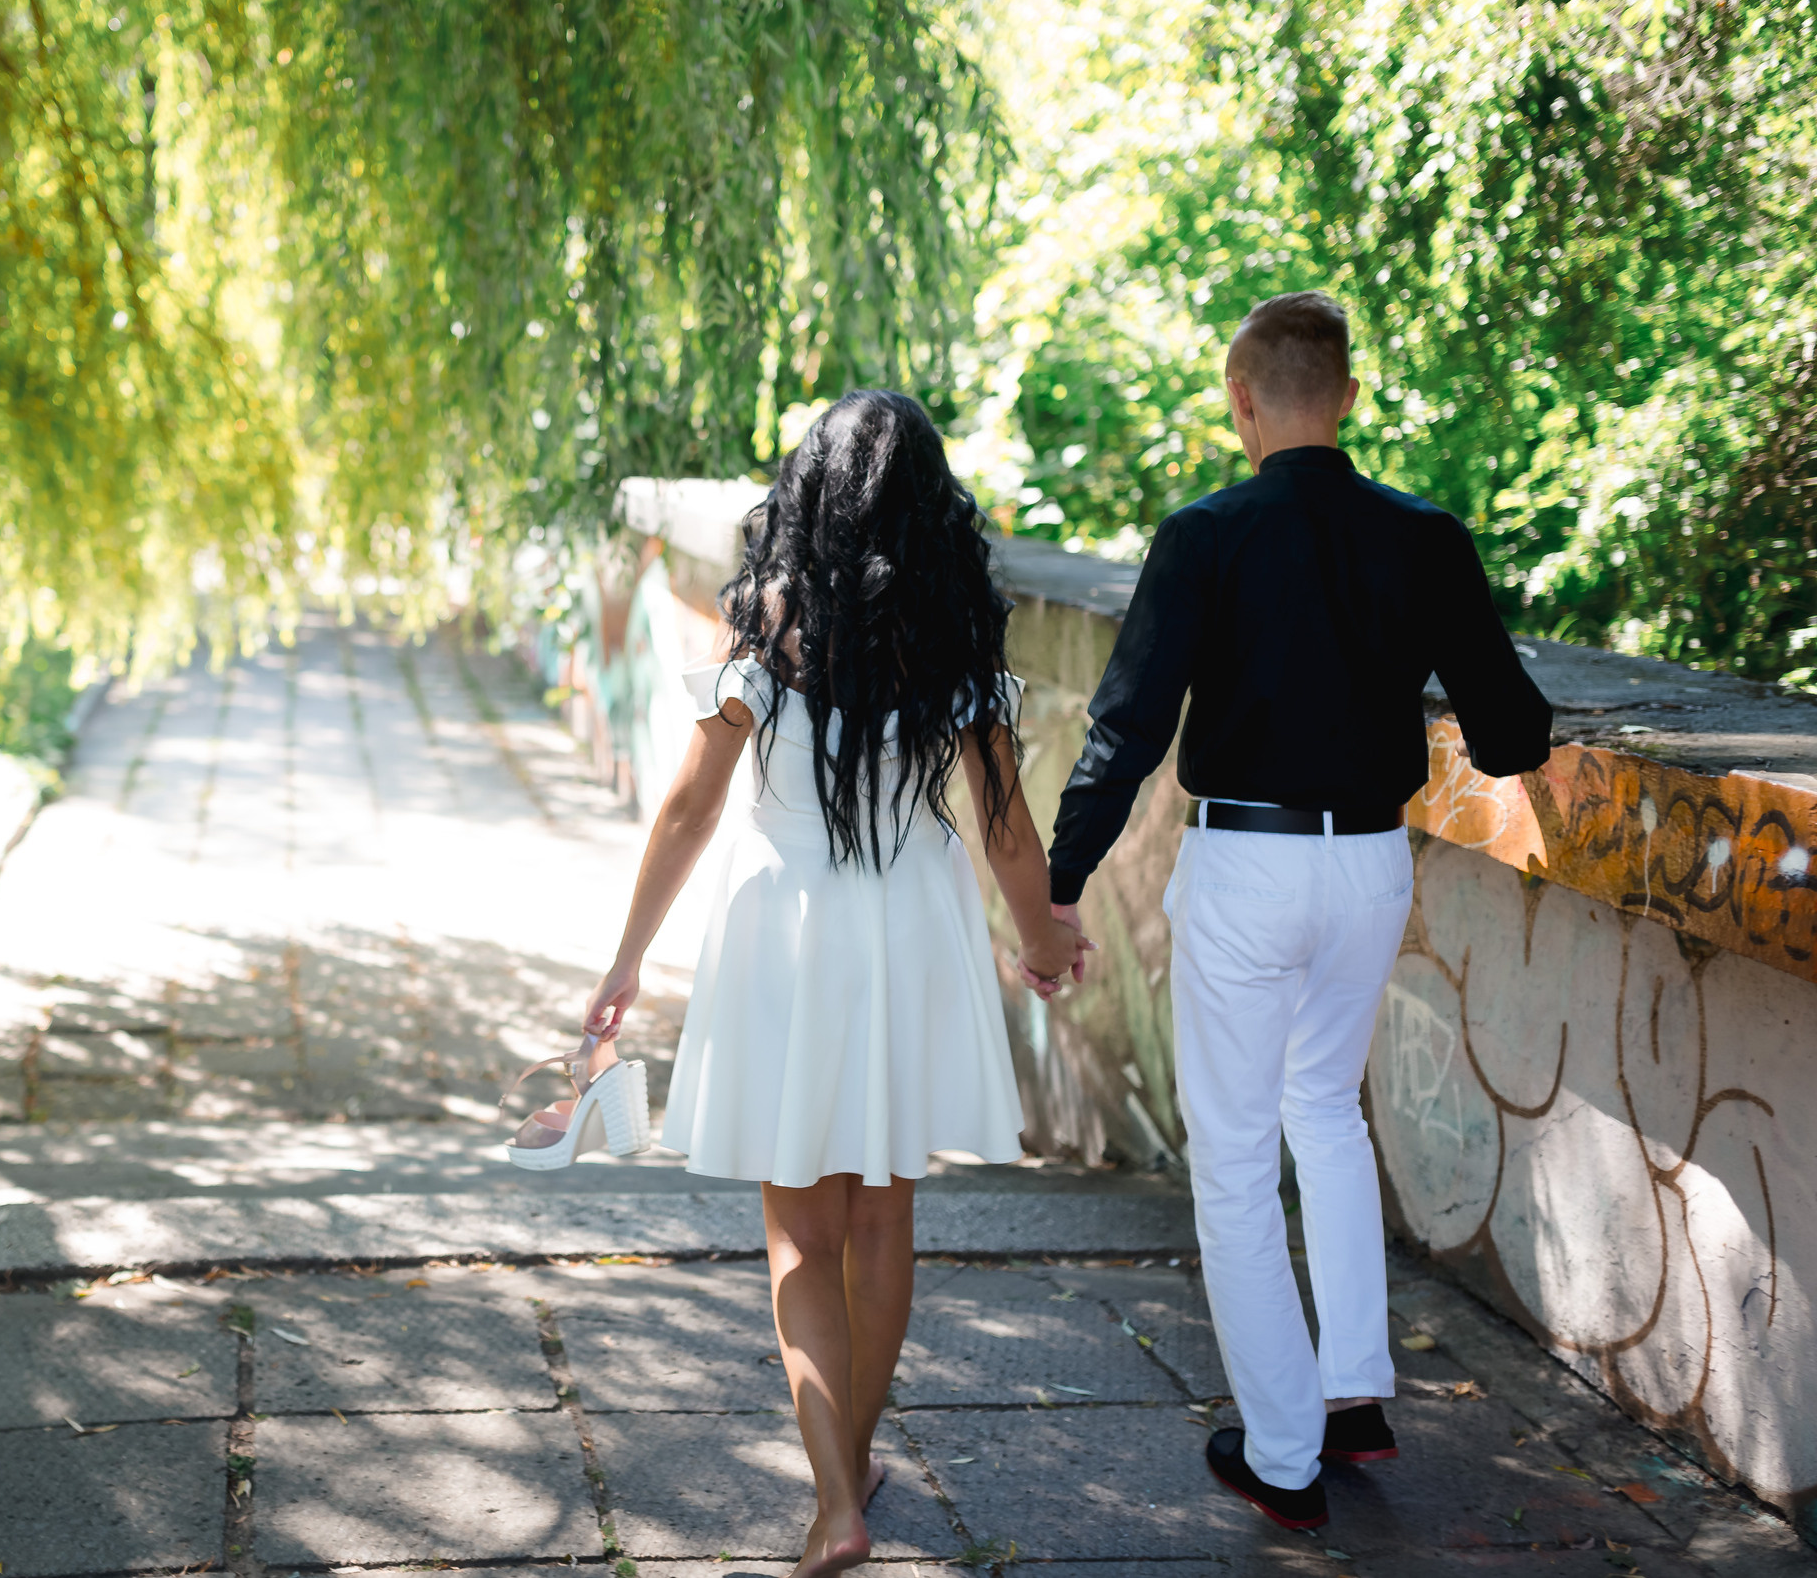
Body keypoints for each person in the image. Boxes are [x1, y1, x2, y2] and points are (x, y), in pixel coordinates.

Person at [1044, 292, 1552, 1529]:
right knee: (1322, 1107)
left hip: (1247, 867)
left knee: (1230, 1161)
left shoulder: (1204, 534)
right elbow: (1512, 729)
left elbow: (1127, 727)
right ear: (1349, 398)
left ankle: (1280, 1454)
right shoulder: (1424, 535)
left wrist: (1059, 884)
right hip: (1371, 865)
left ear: (1242, 400)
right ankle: (1354, 1394)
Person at [569, 390, 1089, 1578]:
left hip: (783, 929)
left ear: (804, 489)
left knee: (799, 1239)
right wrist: (1047, 944)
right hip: (908, 927)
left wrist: (627, 955)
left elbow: (691, 805)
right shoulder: (955, 631)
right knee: (882, 1216)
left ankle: (833, 1498)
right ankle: (847, 1474)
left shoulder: (759, 621)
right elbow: (1009, 837)